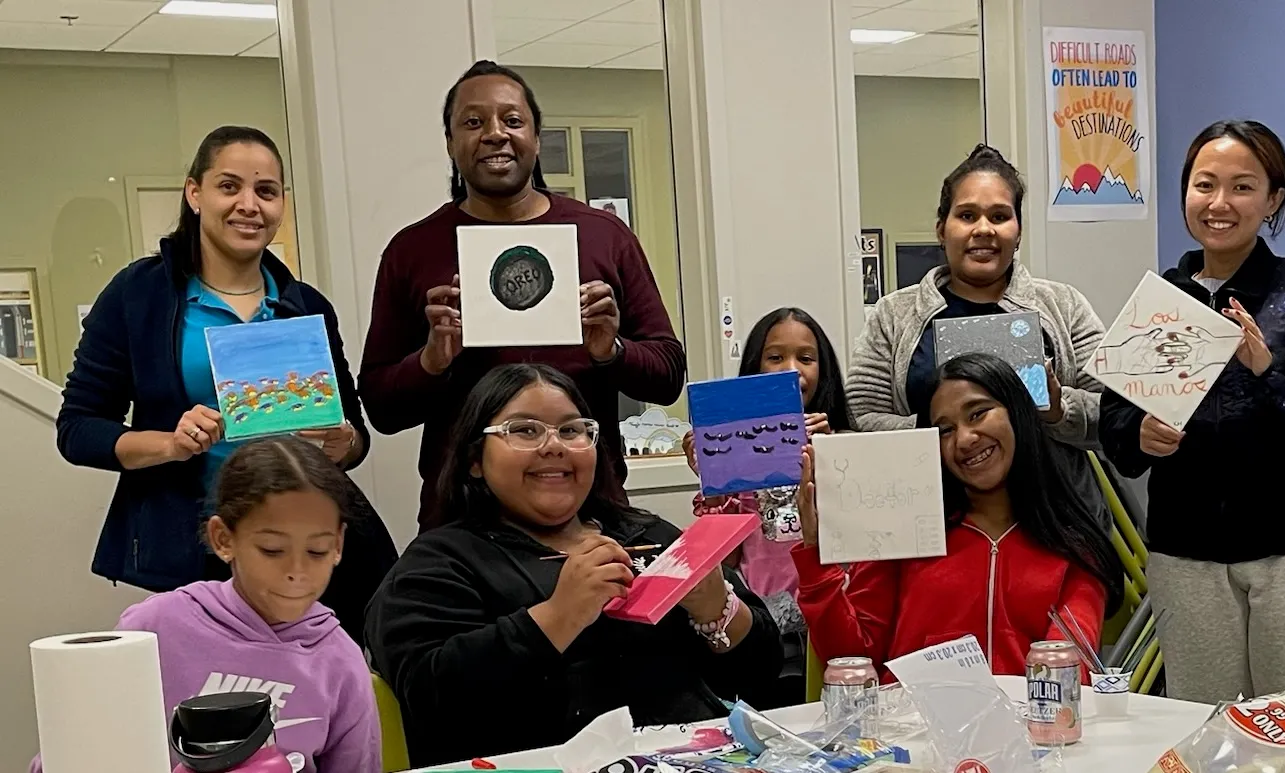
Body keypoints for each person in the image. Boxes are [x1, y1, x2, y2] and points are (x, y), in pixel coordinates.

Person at [56, 127, 395, 637]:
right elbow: (77, 429)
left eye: (266, 191)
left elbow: (355, 436)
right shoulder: (139, 296)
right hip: (194, 550)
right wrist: (170, 444)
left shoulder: (305, 306)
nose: (248, 205)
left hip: (303, 547)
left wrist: (341, 440)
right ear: (194, 194)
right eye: (229, 186)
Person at [1099, 120, 1285, 704]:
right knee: (1207, 734)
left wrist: (1270, 366)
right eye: (1204, 185)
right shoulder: (1163, 299)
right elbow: (1116, 422)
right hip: (1188, 555)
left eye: (1242, 187)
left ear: (1273, 199)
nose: (1220, 203)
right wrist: (1141, 434)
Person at [364, 364, 781, 763]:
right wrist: (557, 618)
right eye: (524, 430)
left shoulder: (647, 535)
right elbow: (428, 699)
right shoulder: (438, 563)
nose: (554, 446)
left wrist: (717, 613)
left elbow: (762, 674)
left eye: (571, 430)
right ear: (475, 458)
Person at [360, 60, 685, 531]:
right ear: (451, 144)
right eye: (474, 122)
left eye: (512, 120)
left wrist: (610, 351)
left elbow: (667, 376)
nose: (495, 133)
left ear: (536, 138)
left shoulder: (602, 236)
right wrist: (431, 361)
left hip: (591, 513)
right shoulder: (413, 250)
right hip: (463, 523)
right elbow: (381, 409)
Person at [31, 438, 380, 773]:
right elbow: (65, 754)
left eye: (317, 551)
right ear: (223, 539)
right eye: (272, 550)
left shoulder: (340, 662)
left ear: (338, 545)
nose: (296, 572)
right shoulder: (155, 627)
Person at [794, 353, 1123, 682]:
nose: (965, 439)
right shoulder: (902, 531)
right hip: (907, 729)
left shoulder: (1075, 550)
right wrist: (816, 561)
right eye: (945, 430)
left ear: (1018, 413)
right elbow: (850, 659)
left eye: (978, 413)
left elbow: (1064, 677)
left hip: (1031, 728)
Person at [846, 144, 1109, 525]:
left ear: (1017, 232)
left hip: (1059, 523)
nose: (983, 229)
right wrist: (942, 428)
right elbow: (861, 416)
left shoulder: (1063, 305)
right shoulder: (894, 314)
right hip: (934, 523)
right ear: (942, 229)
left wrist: (1058, 410)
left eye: (1000, 216)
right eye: (967, 215)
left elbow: (1114, 413)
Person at [681, 307, 853, 709]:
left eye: (806, 358)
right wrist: (713, 481)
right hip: (764, 622)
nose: (791, 370)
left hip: (832, 616)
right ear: (755, 368)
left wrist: (833, 459)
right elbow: (728, 557)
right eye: (775, 357)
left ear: (823, 370)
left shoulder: (846, 444)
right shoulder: (741, 458)